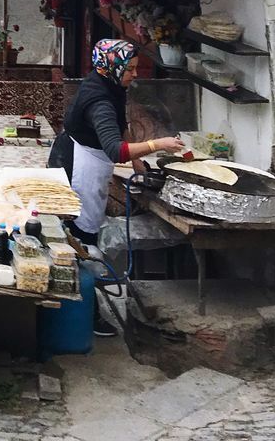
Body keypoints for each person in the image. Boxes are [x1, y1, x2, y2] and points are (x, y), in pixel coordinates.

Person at [62, 38, 185, 335]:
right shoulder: (99, 101)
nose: (135, 74)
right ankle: (84, 316)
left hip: (90, 158)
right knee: (82, 240)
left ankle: (84, 307)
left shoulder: (109, 83)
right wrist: (159, 144)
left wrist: (139, 164)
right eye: (129, 69)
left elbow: (121, 130)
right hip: (83, 167)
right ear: (112, 67)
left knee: (84, 235)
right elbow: (116, 150)